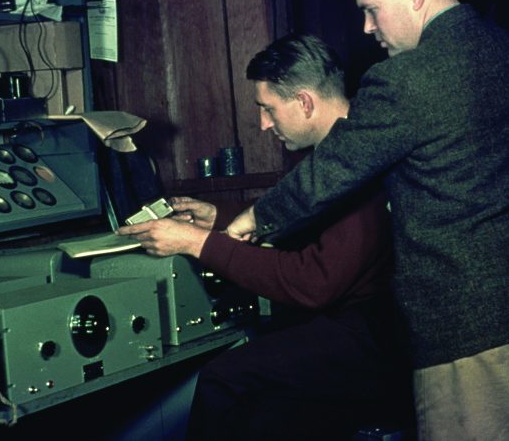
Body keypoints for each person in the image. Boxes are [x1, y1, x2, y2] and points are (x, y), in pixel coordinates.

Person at [224, 0, 509, 441]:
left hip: (470, 332)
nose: (368, 27)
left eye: (372, 9)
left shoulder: (405, 79)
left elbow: (333, 169)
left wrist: (256, 218)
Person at [117, 34, 412, 441]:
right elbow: (307, 221)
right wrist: (220, 219)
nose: (263, 124)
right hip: (358, 326)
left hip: (374, 339)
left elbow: (313, 284)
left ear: (305, 102)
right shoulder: (340, 153)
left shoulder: (352, 166)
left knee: (224, 381)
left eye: (268, 109)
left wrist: (196, 243)